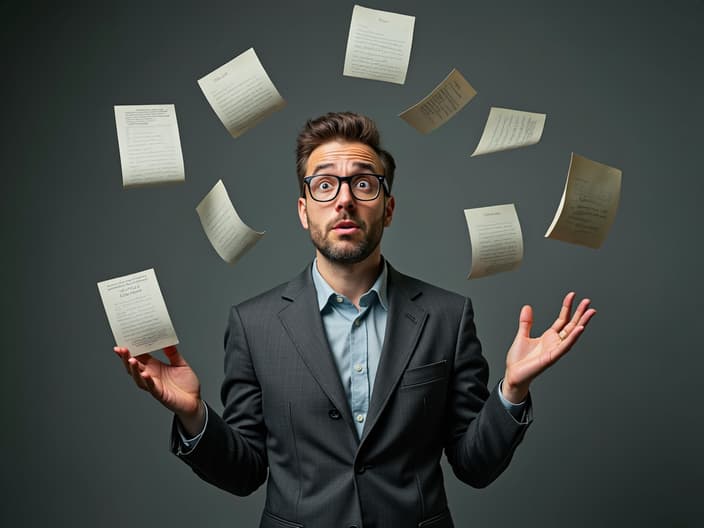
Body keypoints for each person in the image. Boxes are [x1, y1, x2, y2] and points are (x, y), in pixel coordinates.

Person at [115, 111, 595, 528]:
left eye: (362, 183)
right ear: (304, 212)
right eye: (324, 185)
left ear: (387, 208)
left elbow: (474, 465)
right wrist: (192, 415)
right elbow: (245, 473)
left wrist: (512, 392)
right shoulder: (253, 324)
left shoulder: (448, 317)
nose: (343, 199)